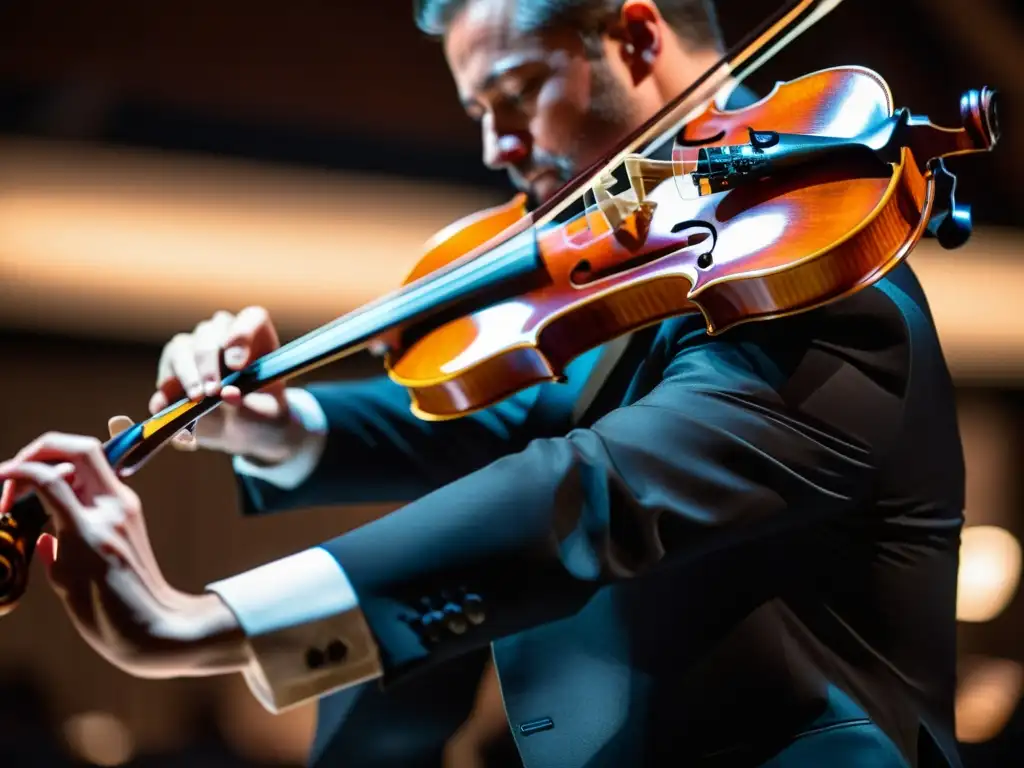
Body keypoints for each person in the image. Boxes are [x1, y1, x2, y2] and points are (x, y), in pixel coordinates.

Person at [0, 1, 968, 766]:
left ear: (634, 36)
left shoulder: (822, 296)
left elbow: (591, 483)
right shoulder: (648, 286)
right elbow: (522, 412)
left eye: (515, 94)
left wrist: (204, 621)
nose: (495, 148)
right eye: (478, 113)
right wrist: (274, 419)